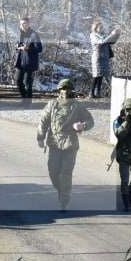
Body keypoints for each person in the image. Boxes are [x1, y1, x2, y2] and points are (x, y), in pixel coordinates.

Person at [37, 79, 94, 211]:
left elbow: (90, 121)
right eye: (63, 88)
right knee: (53, 172)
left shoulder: (77, 106)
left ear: (71, 90)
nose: (65, 91)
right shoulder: (52, 104)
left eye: (67, 88)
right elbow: (43, 121)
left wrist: (82, 125)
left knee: (65, 174)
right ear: (59, 90)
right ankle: (61, 191)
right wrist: (40, 137)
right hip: (54, 143)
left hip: (70, 144)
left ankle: (64, 200)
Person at [89, 21, 123, 99]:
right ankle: (91, 92)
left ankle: (98, 93)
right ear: (96, 28)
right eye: (100, 27)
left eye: (102, 27)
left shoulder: (102, 35)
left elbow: (111, 41)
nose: (102, 28)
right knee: (96, 75)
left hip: (104, 57)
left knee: (101, 75)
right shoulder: (93, 35)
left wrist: (116, 35)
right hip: (98, 58)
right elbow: (102, 42)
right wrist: (112, 34)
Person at [14, 17, 42, 100]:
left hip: (30, 63)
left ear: (28, 24)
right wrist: (17, 47)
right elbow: (18, 46)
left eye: (24, 23)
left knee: (28, 84)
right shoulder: (20, 34)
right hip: (20, 62)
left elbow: (39, 48)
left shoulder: (34, 35)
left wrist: (28, 48)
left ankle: (27, 102)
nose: (22, 25)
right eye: (21, 24)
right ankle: (24, 98)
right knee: (18, 81)